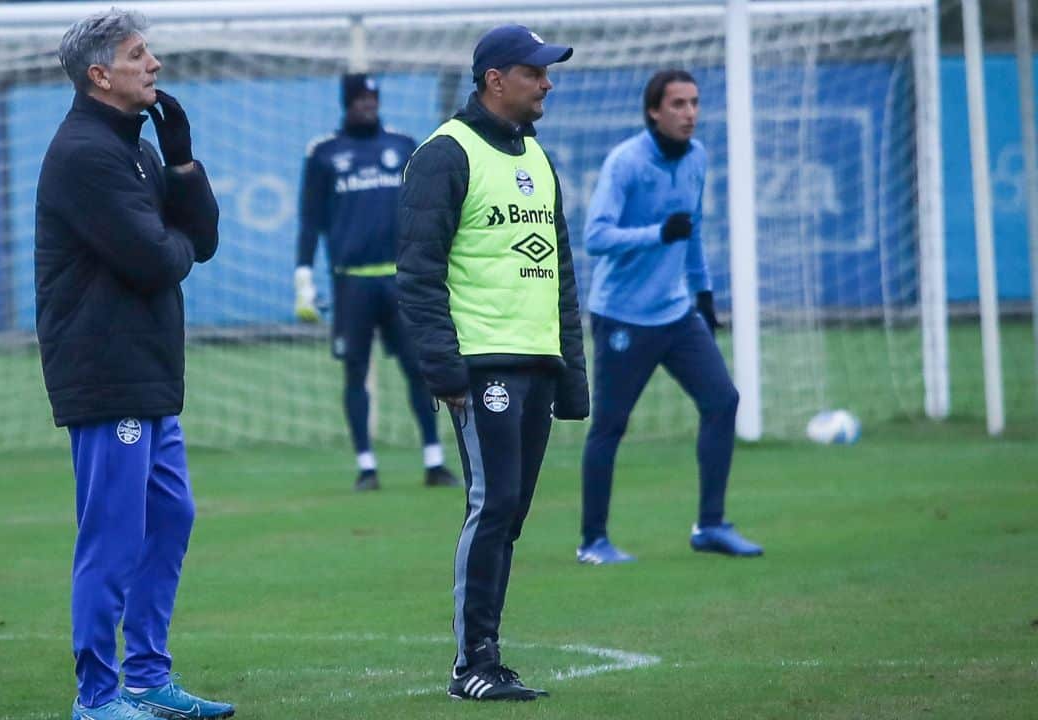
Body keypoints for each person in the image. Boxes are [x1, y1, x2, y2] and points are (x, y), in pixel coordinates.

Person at [36, 9, 234, 720]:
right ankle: (97, 696)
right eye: (138, 54)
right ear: (100, 75)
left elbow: (198, 243)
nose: (154, 64)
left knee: (171, 515)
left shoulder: (139, 147)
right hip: (105, 370)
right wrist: (173, 238)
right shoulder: (84, 152)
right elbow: (157, 261)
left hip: (148, 369)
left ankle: (149, 678)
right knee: (113, 535)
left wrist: (181, 161)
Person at [397, 24, 588, 702]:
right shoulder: (445, 154)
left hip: (537, 365)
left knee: (511, 512)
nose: (547, 82)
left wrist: (572, 374)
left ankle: (487, 655)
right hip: (482, 368)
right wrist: (443, 371)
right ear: (494, 80)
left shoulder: (537, 156)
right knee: (493, 503)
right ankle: (472, 663)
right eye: (535, 71)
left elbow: (561, 273)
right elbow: (416, 275)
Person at [577, 69, 763, 565]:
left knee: (723, 401)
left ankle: (711, 525)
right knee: (610, 427)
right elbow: (595, 237)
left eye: (695, 103)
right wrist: (657, 233)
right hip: (622, 316)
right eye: (678, 104)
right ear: (654, 112)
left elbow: (692, 230)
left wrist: (703, 294)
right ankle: (593, 541)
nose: (690, 113)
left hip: (677, 312)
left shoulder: (697, 158)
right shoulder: (626, 163)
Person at [294, 73, 458, 492]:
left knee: (419, 371)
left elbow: (426, 210)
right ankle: (366, 466)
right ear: (346, 103)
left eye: (373, 98)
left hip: (401, 281)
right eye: (360, 98)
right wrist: (304, 276)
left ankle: (434, 461)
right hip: (351, 284)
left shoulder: (403, 146)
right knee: (355, 373)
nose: (368, 105)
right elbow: (310, 220)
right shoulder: (324, 153)